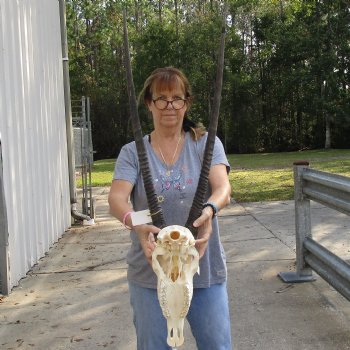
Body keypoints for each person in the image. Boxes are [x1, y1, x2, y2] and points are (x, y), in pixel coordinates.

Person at [108, 66, 232, 349]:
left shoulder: (205, 144)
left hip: (203, 268)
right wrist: (137, 223)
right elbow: (117, 199)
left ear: (186, 103)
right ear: (149, 103)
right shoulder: (133, 152)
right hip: (151, 273)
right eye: (161, 98)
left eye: (177, 98)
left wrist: (211, 209)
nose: (169, 105)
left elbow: (222, 188)